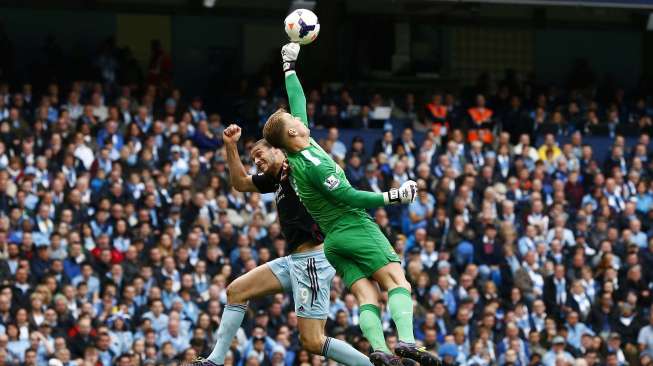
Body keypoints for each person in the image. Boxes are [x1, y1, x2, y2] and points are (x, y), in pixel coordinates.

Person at [262, 42, 440, 366]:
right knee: (397, 281)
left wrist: (289, 66)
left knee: (367, 296)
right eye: (294, 119)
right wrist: (394, 195)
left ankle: (381, 351)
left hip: (333, 242)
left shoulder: (299, 150)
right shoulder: (316, 164)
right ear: (292, 129)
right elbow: (347, 196)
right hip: (353, 225)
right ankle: (408, 343)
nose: (300, 117)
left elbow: (297, 102)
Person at [194, 124, 371, 366]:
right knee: (236, 291)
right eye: (253, 157)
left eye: (260, 154)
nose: (256, 160)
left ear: (279, 151)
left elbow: (312, 154)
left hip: (313, 259)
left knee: (313, 342)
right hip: (294, 260)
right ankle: (215, 359)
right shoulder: (275, 179)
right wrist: (230, 146)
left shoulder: (300, 168)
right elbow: (240, 183)